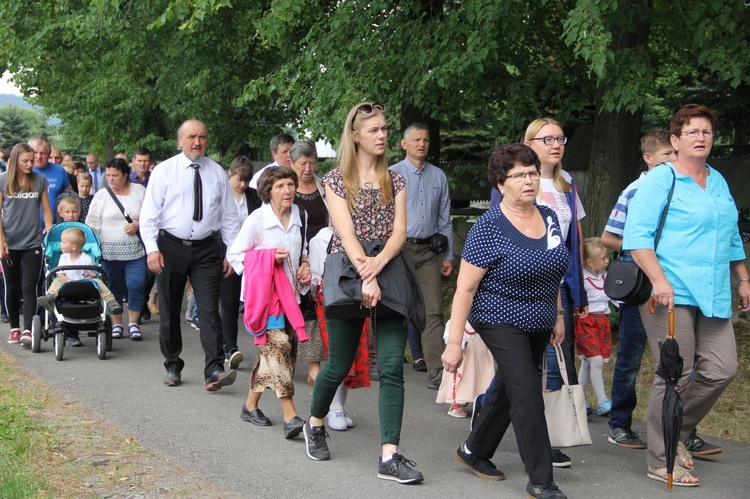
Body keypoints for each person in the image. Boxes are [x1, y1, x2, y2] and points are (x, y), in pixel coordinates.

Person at [625, 104, 750, 487]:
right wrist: (659, 279)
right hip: (669, 293)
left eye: (707, 132)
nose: (701, 138)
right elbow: (637, 238)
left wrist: (743, 277)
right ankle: (661, 459)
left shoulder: (717, 180)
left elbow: (729, 235)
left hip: (712, 293)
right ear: (675, 140)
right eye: (692, 132)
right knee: (673, 374)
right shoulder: (662, 179)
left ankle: (677, 431)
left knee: (722, 368)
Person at [302, 102, 424, 485]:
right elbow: (347, 231)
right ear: (355, 135)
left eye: (385, 128)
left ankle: (390, 455)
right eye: (373, 130)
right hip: (349, 272)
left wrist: (380, 266)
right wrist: (366, 275)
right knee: (338, 363)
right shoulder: (336, 179)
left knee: (391, 367)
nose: (382, 135)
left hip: (388, 269)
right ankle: (316, 423)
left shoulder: (397, 179)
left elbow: (400, 232)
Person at [443, 143, 568, 499]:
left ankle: (474, 450)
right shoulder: (489, 227)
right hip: (499, 315)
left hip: (541, 316)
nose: (528, 180)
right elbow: (465, 289)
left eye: (532, 172)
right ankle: (541, 479)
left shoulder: (549, 217)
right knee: (527, 389)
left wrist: (557, 313)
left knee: (510, 386)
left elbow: (553, 269)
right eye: (518, 175)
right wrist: (455, 344)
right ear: (501, 184)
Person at [487, 118, 587, 469]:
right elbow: (488, 254)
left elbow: (571, 244)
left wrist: (573, 296)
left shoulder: (566, 185)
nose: (556, 144)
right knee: (526, 382)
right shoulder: (511, 184)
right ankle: (540, 464)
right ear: (530, 142)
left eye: (561, 138)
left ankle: (478, 444)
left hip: (553, 292)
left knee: (536, 374)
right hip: (508, 302)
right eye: (548, 139)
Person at [140, 119, 241, 391]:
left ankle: (214, 369)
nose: (198, 142)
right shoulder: (164, 171)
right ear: (180, 141)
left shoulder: (217, 172)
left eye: (203, 137)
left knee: (209, 308)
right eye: (192, 137)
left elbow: (229, 217)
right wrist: (152, 249)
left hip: (207, 248)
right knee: (171, 308)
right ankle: (172, 365)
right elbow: (149, 215)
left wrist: (231, 253)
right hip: (170, 247)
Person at [603, 129, 676, 449]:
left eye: (675, 155)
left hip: (674, 285)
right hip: (641, 285)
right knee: (631, 357)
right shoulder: (635, 190)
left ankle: (681, 427)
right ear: (648, 158)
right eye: (666, 156)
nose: (673, 161)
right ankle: (619, 423)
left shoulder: (681, 188)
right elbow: (608, 238)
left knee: (677, 359)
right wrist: (644, 249)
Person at [227, 166, 311, 437]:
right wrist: (266, 257)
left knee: (275, 355)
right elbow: (235, 255)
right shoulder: (256, 220)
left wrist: (305, 265)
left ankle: (250, 406)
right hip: (265, 300)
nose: (287, 190)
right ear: (267, 191)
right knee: (280, 350)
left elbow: (304, 250)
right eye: (280, 186)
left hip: (293, 298)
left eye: (290, 184)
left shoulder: (301, 215)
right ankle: (291, 416)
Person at [390, 123, 453, 389]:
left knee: (433, 311)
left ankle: (436, 371)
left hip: (428, 251)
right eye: (416, 140)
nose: (422, 144)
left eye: (426, 140)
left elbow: (445, 218)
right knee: (393, 309)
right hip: (398, 250)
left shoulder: (438, 176)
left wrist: (447, 255)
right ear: (404, 144)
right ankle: (386, 364)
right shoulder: (392, 174)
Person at [86, 158, 148, 340]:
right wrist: (95, 246)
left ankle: (133, 324)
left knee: (136, 285)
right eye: (109, 175)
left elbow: (152, 217)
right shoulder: (102, 195)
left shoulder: (139, 191)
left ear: (125, 175)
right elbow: (91, 224)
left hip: (135, 251)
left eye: (115, 175)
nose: (111, 179)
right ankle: (117, 325)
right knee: (113, 289)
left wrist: (137, 225)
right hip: (108, 253)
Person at [0, 143, 54, 346]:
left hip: (32, 241)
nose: (31, 164)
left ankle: (28, 330)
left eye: (32, 160)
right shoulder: (3, 180)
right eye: (25, 161)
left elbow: (46, 208)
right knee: (12, 286)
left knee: (29, 286)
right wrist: (1, 241)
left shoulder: (39, 180)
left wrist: (48, 225)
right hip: (10, 242)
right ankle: (14, 327)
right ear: (15, 160)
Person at [289, 140, 328, 384]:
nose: (307, 168)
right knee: (291, 310)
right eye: (302, 163)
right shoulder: (285, 189)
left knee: (314, 310)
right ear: (291, 163)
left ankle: (314, 366)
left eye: (312, 163)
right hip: (292, 257)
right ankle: (288, 362)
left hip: (320, 258)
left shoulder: (325, 188)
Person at [220, 155, 262, 368]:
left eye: (247, 180)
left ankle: (263, 347)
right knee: (228, 302)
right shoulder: (220, 194)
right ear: (230, 173)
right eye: (240, 179)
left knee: (249, 302)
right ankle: (230, 348)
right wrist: (225, 254)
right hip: (224, 256)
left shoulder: (254, 196)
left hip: (250, 258)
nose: (243, 184)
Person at [37, 227, 122, 315]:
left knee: (99, 282)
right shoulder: (63, 257)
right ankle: (50, 297)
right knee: (57, 281)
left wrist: (82, 281)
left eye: (63, 242)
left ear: (73, 246)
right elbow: (60, 274)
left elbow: (92, 274)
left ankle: (111, 301)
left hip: (84, 284)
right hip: (66, 283)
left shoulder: (87, 259)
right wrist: (69, 281)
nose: (60, 244)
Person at [575, 237, 612, 416]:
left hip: (602, 323)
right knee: (595, 360)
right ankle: (602, 400)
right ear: (590, 262)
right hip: (586, 322)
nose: (608, 260)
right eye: (604, 258)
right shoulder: (582, 278)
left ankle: (577, 398)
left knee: (588, 363)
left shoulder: (606, 277)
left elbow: (615, 296)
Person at [435, 320, 494, 418]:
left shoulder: (485, 321)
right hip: (464, 358)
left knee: (484, 379)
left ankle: (483, 403)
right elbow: (448, 337)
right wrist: (459, 344)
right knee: (462, 381)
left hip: (481, 357)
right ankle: (456, 405)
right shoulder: (454, 322)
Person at [29, 137, 72, 223]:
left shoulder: (59, 170)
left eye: (43, 153)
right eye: (35, 152)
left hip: (54, 228)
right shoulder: (22, 171)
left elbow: (70, 196)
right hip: (27, 229)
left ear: (49, 154)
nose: (38, 156)